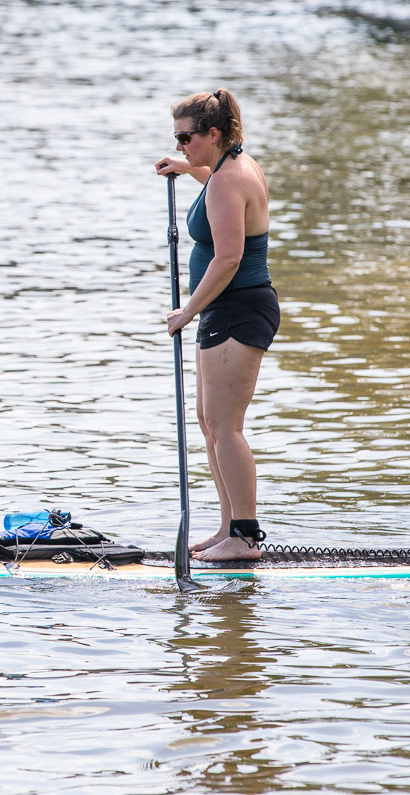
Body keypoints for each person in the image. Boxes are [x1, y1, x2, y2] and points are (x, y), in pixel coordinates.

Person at [154, 89, 279, 561]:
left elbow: (229, 258)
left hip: (239, 308)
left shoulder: (230, 180)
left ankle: (245, 537)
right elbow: (216, 184)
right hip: (226, 309)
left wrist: (187, 311)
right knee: (210, 423)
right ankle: (228, 527)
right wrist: (191, 171)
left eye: (187, 138)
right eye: (177, 137)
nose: (181, 144)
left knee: (226, 427)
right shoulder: (229, 169)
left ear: (213, 133)